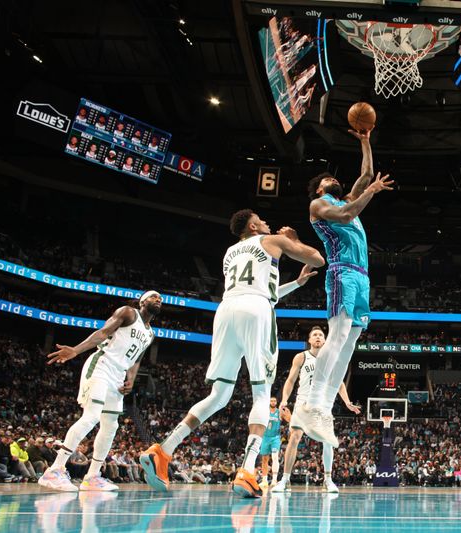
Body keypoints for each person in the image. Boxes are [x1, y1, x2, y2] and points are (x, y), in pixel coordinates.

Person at [139, 209, 324, 498]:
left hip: (226, 312)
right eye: (262, 220)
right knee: (262, 395)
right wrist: (292, 239)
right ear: (253, 225)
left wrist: (297, 284)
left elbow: (262, 289)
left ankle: (163, 450)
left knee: (219, 395)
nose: (267, 222)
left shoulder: (230, 253)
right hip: (256, 311)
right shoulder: (272, 240)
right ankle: (248, 470)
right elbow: (317, 259)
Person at [294, 128, 394, 447]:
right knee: (336, 337)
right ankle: (310, 403)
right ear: (320, 188)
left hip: (362, 277)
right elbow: (348, 212)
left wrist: (365, 140)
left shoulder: (347, 197)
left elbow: (365, 174)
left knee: (350, 343)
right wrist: (372, 192)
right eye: (326, 180)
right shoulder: (319, 206)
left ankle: (324, 409)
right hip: (342, 273)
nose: (332, 180)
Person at [38, 291, 161, 492]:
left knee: (111, 425)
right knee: (91, 417)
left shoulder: (150, 333)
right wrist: (76, 350)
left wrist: (131, 379)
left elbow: (137, 359)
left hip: (118, 376)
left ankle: (92, 476)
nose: (158, 300)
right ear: (142, 301)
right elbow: (102, 332)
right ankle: (55, 470)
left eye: (160, 299)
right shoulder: (128, 313)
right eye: (154, 297)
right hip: (102, 365)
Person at [272, 326, 361, 494]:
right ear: (310, 340)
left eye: (321, 335)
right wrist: (284, 399)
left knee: (327, 441)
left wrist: (347, 402)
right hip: (303, 402)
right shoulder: (301, 357)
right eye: (315, 335)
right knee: (294, 437)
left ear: (325, 340)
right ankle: (284, 480)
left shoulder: (331, 359)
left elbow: (339, 382)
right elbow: (290, 381)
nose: (318, 337)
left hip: (323, 404)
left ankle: (328, 480)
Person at [258, 397, 282, 490]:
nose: (273, 402)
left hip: (275, 437)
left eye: (274, 401)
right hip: (265, 437)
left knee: (275, 457)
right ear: (269, 402)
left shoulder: (279, 412)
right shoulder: (265, 411)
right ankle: (264, 480)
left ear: (276, 402)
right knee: (264, 459)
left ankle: (274, 480)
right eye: (271, 401)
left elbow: (289, 419)